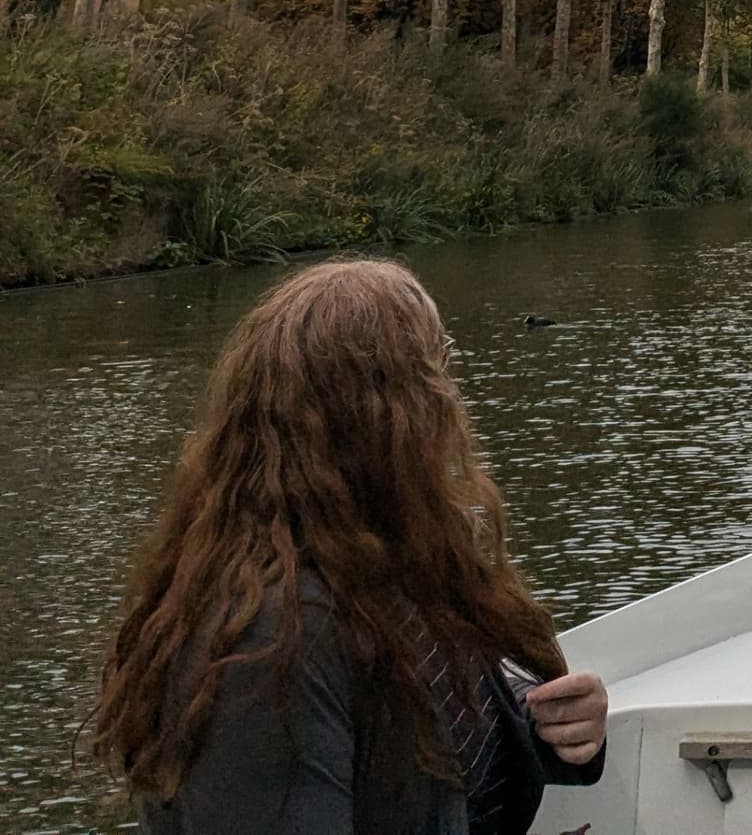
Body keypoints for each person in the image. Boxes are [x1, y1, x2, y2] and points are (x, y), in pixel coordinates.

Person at [95, 258, 607, 835]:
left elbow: (429, 738)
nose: (453, 399)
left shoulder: (378, 562)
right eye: (438, 366)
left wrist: (556, 727)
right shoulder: (272, 641)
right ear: (390, 418)